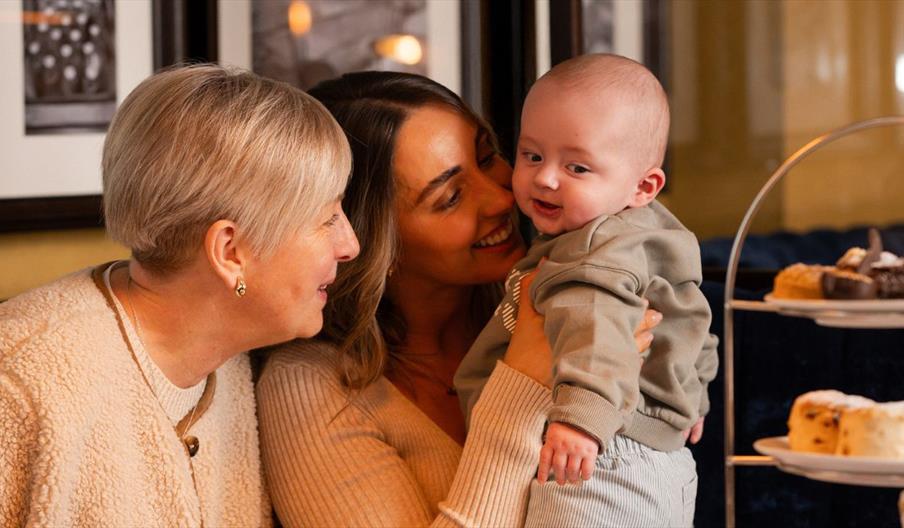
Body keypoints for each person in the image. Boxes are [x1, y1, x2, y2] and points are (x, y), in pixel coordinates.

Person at [255, 71, 663, 527]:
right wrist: (522, 382)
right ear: (369, 239)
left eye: (488, 158)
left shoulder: (575, 296)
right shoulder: (310, 388)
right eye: (450, 197)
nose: (501, 198)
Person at [0, 64, 359, 526]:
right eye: (327, 218)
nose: (350, 245)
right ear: (230, 252)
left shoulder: (224, 359)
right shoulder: (21, 386)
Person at [454, 53, 719, 527]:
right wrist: (688, 397)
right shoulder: (651, 236)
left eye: (577, 167)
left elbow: (594, 329)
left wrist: (580, 421)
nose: (546, 177)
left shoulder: (592, 252)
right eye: (532, 155)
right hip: (656, 456)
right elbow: (693, 320)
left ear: (644, 185)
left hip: (599, 458)